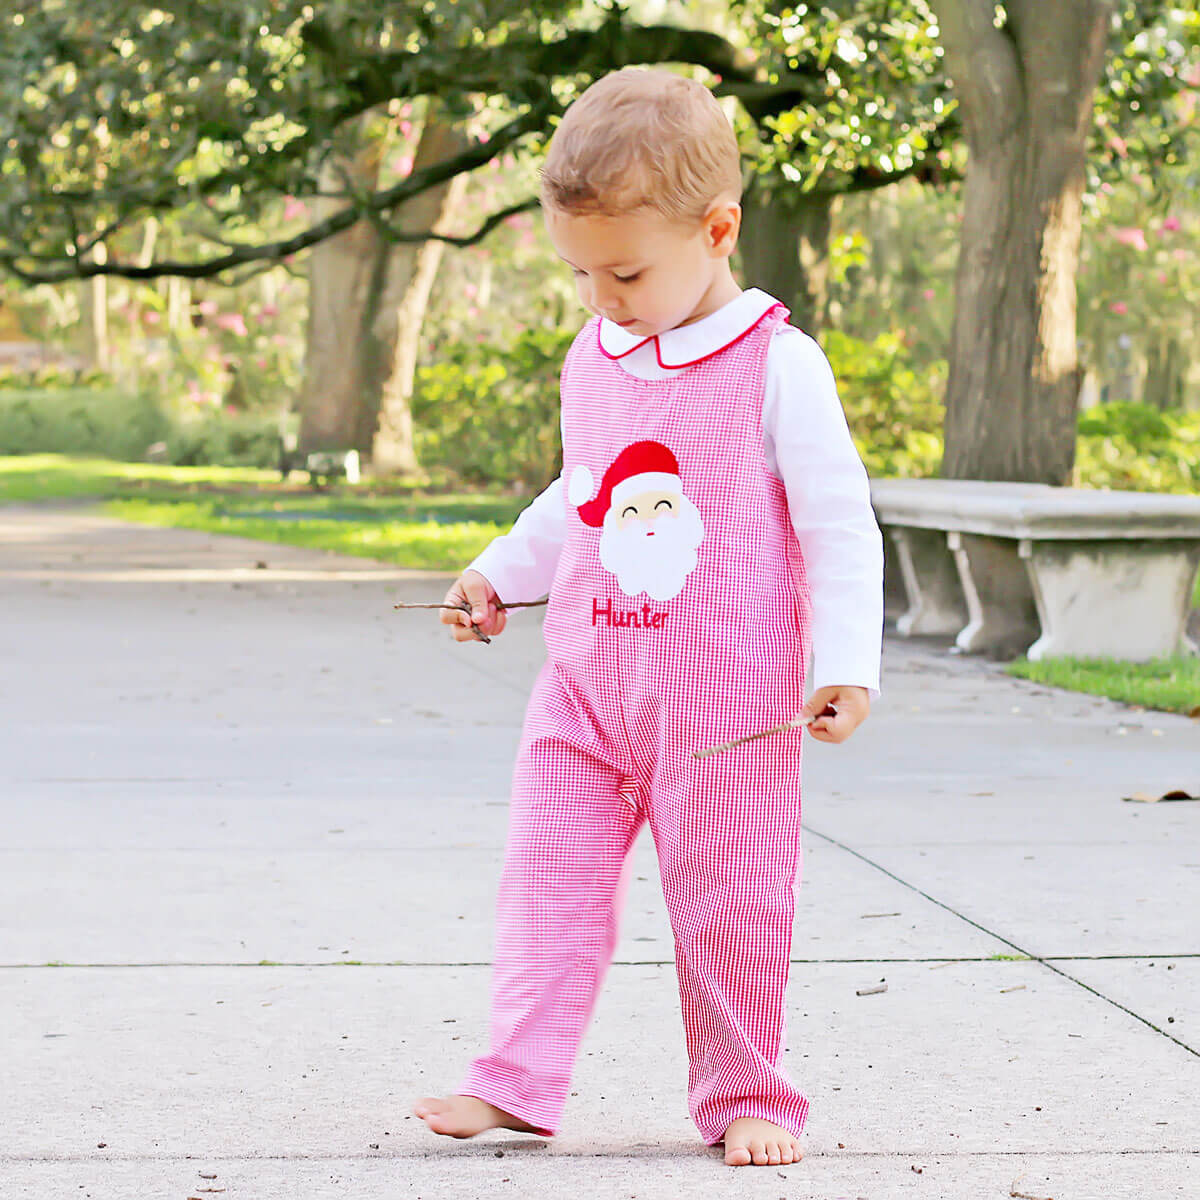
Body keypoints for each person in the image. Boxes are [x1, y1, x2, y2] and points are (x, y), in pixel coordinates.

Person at [414, 67, 883, 1168]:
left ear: (717, 230)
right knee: (547, 883)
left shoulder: (780, 365)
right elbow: (579, 493)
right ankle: (519, 1080)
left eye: (624, 270)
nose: (601, 297)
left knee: (731, 905)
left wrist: (847, 664)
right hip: (587, 682)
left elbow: (839, 524)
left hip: (725, 707)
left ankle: (748, 1092)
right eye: (581, 272)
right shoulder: (595, 355)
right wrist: (498, 574)